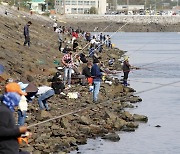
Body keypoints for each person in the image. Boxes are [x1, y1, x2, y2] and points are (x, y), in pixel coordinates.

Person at [0, 82, 31, 154]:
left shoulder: (6, 110)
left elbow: (8, 131)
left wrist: (22, 133)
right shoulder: (3, 111)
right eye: (19, 95)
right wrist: (18, 130)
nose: (20, 97)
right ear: (12, 95)